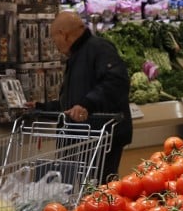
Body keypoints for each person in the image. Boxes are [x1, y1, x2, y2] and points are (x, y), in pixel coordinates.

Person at [33, 11, 133, 184]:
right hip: (84, 138)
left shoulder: (99, 48)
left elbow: (116, 81)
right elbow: (73, 103)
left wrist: (87, 104)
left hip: (101, 138)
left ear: (63, 35)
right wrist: (41, 107)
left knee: (100, 190)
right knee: (85, 193)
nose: (54, 43)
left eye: (53, 37)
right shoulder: (78, 56)